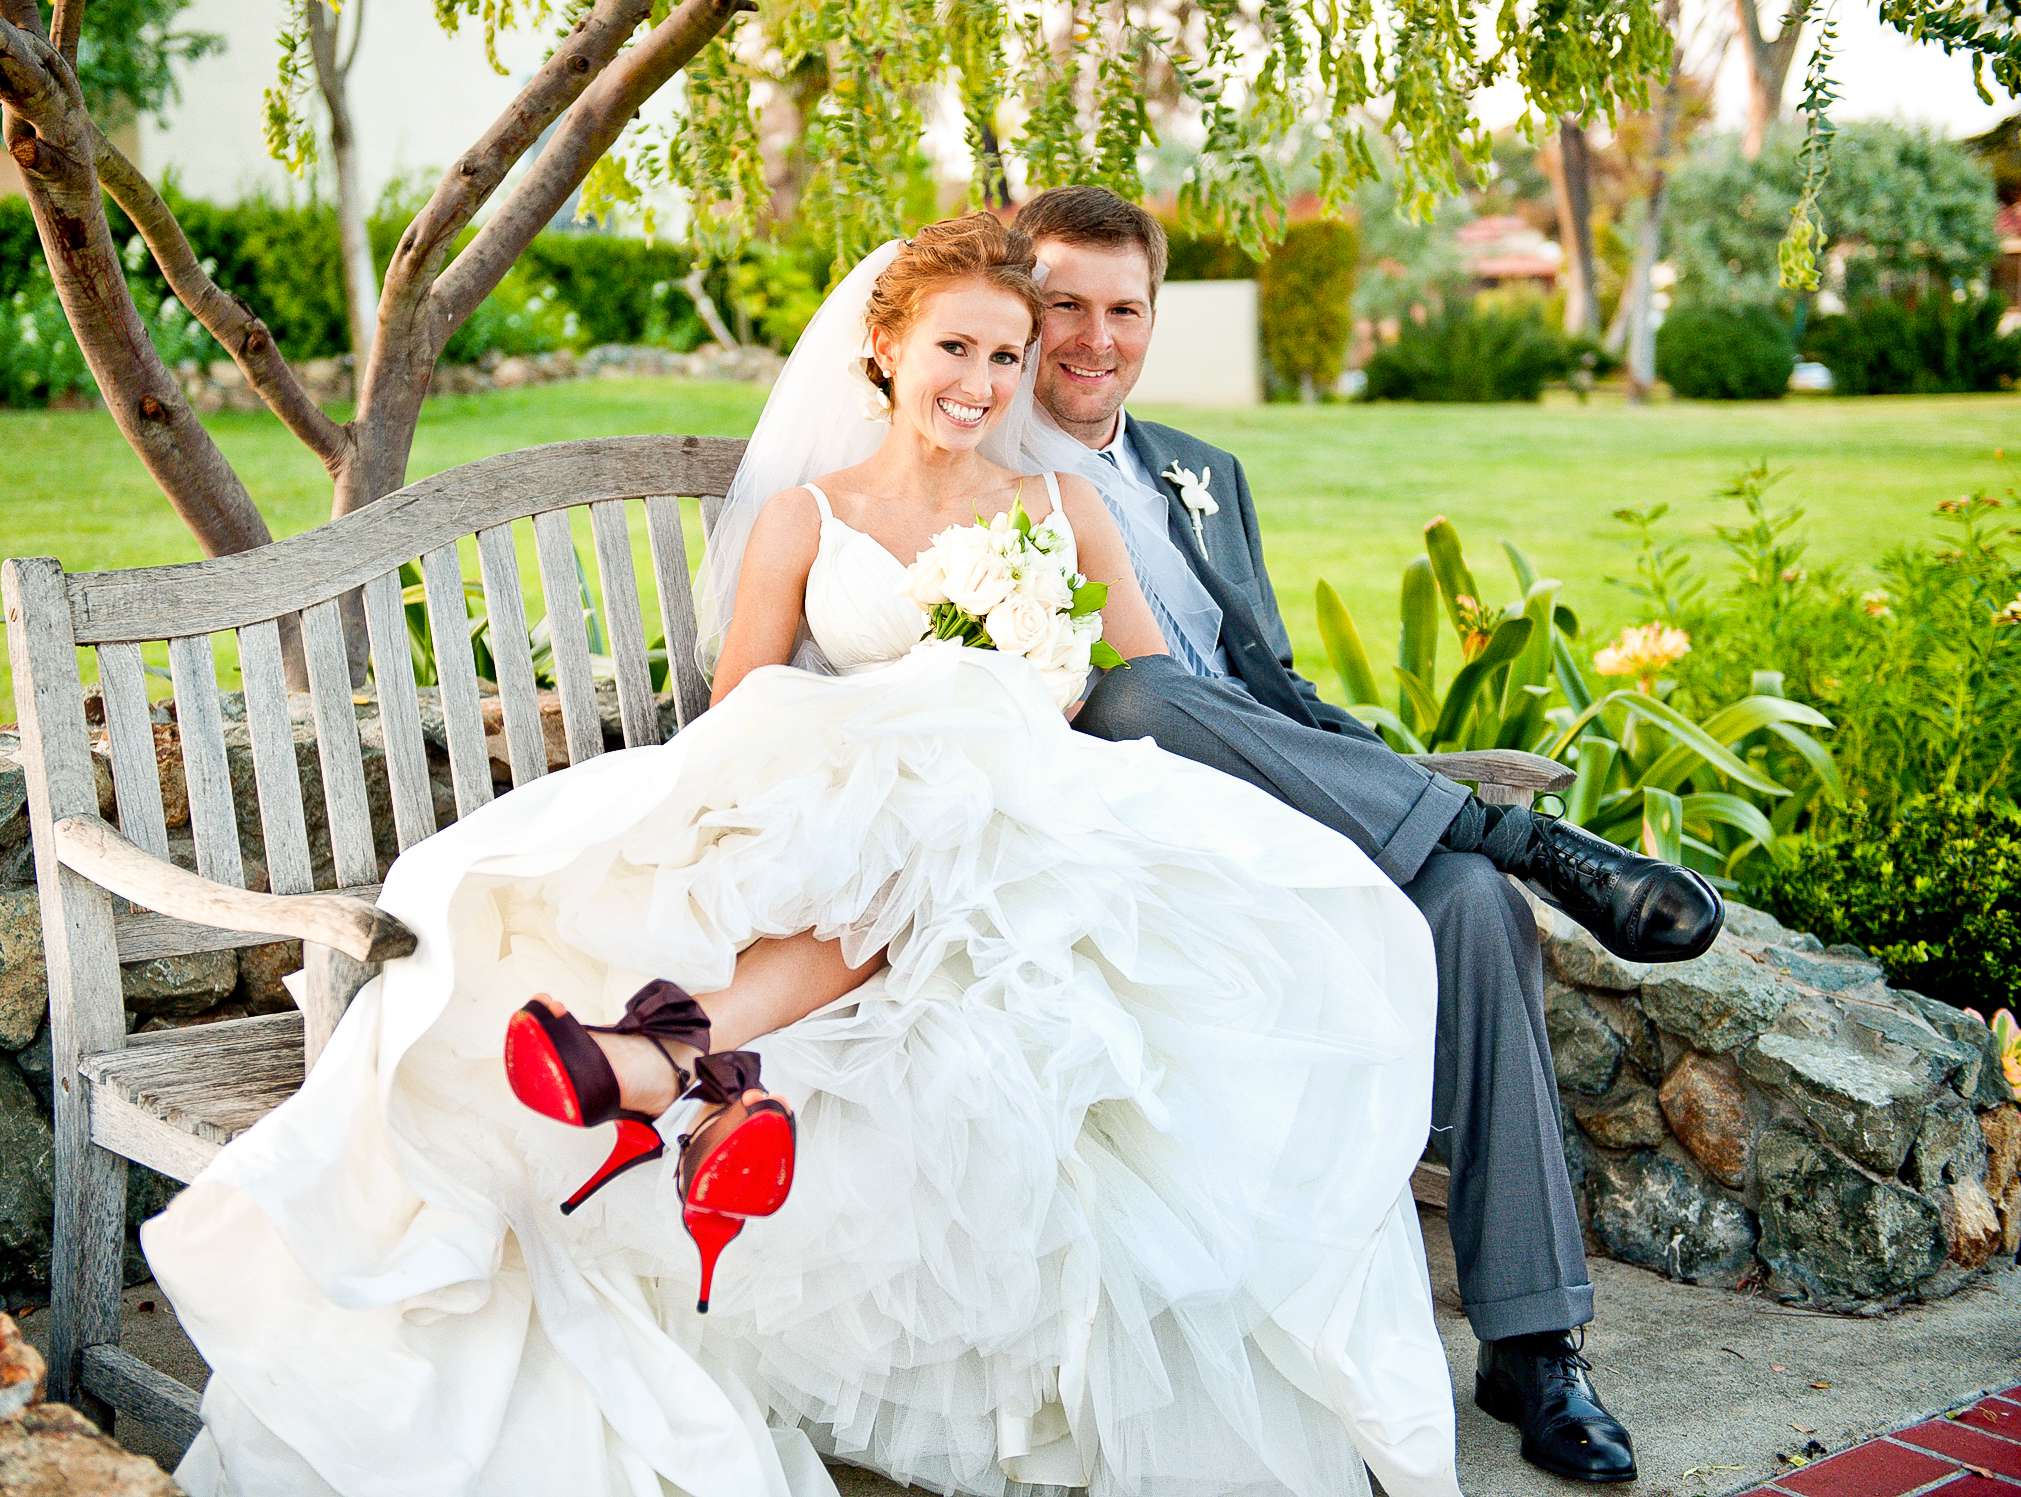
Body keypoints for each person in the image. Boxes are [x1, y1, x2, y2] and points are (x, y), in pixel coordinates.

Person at [144, 215, 1464, 1497]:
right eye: (955, 348)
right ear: (883, 350)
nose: (982, 381)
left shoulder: (1057, 507)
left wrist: (1017, 692)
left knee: (962, 777)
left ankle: (670, 1047)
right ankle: (682, 1049)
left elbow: (1156, 695)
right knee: (910, 783)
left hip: (1031, 810)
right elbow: (736, 725)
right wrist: (895, 725)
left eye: (1006, 356)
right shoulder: (804, 518)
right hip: (838, 807)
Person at [1013, 184, 1728, 1485]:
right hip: (1109, 837)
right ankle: (1516, 833)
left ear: (1153, 317)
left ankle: (1532, 1342)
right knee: (1141, 690)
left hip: (1265, 812)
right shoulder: (983, 466)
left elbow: (1277, 687)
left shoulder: (1198, 470)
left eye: (1123, 307)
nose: (1093, 336)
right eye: (1063, 302)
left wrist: (1371, 778)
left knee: (1469, 904)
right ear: (1021, 305)